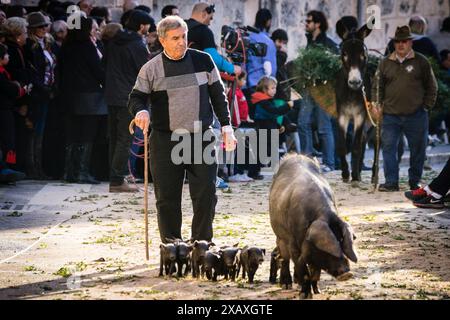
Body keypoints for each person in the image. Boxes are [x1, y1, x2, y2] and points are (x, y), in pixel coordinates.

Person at [128, 15, 235, 243]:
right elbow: (136, 98)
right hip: (166, 140)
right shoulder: (151, 68)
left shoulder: (204, 60)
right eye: (175, 38)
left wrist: (226, 126)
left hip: (201, 137)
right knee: (167, 198)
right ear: (162, 40)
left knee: (206, 194)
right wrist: (141, 111)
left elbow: (218, 95)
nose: (181, 42)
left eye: (184, 36)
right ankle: (172, 245)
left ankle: (201, 243)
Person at [373, 25, 437, 192]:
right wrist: (376, 104)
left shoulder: (421, 61)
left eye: (404, 41)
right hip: (390, 115)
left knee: (418, 150)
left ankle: (414, 181)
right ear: (394, 43)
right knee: (388, 149)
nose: (401, 44)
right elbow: (376, 86)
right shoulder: (385, 63)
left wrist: (426, 106)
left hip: (416, 114)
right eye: (398, 41)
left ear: (410, 42)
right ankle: (391, 182)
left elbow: (432, 86)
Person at [104, 10, 153, 193]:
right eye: (147, 26)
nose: (148, 30)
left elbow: (105, 66)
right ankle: (117, 180)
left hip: (112, 95)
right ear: (141, 26)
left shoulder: (113, 42)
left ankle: (116, 176)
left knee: (115, 138)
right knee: (125, 139)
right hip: (128, 96)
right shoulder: (136, 45)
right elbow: (144, 72)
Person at [59, 16, 106, 184]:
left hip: (68, 96)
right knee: (87, 135)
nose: (95, 31)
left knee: (72, 134)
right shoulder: (87, 46)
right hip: (89, 97)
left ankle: (69, 172)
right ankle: (82, 172)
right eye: (93, 29)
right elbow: (97, 70)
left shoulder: (66, 46)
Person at [297, 10, 337, 172]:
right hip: (308, 88)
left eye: (309, 21)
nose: (306, 24)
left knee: (323, 127)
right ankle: (308, 160)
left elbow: (336, 65)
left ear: (318, 24)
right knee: (302, 122)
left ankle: (329, 163)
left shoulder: (329, 44)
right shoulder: (309, 42)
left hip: (324, 90)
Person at [24, 11, 56, 180]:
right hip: (37, 94)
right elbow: (33, 73)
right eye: (40, 26)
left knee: (40, 132)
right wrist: (44, 88)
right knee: (34, 131)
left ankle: (38, 167)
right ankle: (32, 167)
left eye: (45, 25)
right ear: (32, 29)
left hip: (45, 93)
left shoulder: (46, 44)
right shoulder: (31, 46)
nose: (44, 28)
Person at [185, 2, 240, 76]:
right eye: (210, 18)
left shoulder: (179, 26)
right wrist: (232, 68)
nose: (210, 22)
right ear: (204, 14)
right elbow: (213, 58)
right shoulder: (204, 31)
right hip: (195, 78)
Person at [0, 43, 27, 170]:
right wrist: (20, 88)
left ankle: (9, 165)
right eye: (6, 54)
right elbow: (11, 90)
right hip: (3, 110)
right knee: (8, 140)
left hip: (6, 109)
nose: (8, 56)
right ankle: (6, 166)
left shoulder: (4, 72)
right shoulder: (1, 74)